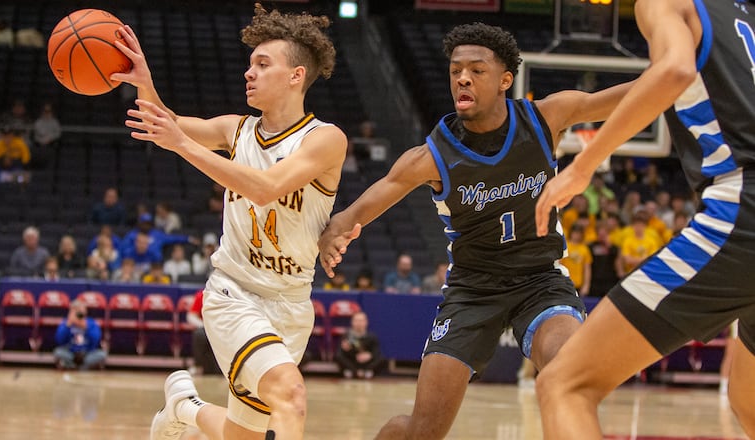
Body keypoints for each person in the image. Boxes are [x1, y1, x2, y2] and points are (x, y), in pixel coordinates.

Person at [318, 22, 632, 439]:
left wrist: (685, 71)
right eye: (455, 70)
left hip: (540, 281)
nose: (462, 77)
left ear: (505, 79)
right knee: (423, 431)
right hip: (472, 290)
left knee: (567, 374)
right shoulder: (434, 155)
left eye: (476, 70)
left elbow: (623, 98)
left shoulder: (546, 117)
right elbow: (365, 204)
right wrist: (335, 230)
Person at [112, 3, 347, 439]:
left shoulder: (325, 139)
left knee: (245, 434)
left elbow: (264, 186)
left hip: (293, 304)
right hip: (233, 293)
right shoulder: (234, 130)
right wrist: (145, 83)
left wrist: (182, 143)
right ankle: (185, 407)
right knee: (291, 396)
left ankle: (185, 407)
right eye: (249, 64)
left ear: (296, 76)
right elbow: (166, 123)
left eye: (263, 64)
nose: (249, 73)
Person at [533, 0, 755, 437]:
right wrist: (583, 110)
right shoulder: (743, 15)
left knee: (564, 384)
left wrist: (582, 166)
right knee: (749, 400)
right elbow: (667, 79)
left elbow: (672, 73)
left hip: (743, 208)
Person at [53, 300, 106, 370]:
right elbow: (59, 340)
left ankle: (81, 368)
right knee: (58, 352)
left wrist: (86, 328)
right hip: (71, 353)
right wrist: (67, 326)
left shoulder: (91, 323)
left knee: (101, 354)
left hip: (87, 353)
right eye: (76, 311)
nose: (79, 314)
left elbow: (96, 341)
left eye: (80, 311)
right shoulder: (66, 323)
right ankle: (72, 366)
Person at [334, 311, 384, 379]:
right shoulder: (347, 336)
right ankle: (353, 372)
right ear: (352, 322)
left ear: (366, 322)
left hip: (367, 363)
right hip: (352, 362)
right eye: (356, 320)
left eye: (361, 321)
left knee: (381, 358)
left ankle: (367, 372)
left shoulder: (372, 337)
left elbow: (376, 351)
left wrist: (369, 355)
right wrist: (346, 350)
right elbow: (340, 352)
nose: (359, 323)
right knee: (338, 356)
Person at [187, 290, 220, 376]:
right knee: (199, 334)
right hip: (205, 327)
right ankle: (198, 365)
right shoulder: (202, 294)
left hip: (222, 328)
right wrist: (204, 326)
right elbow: (191, 316)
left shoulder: (229, 295)